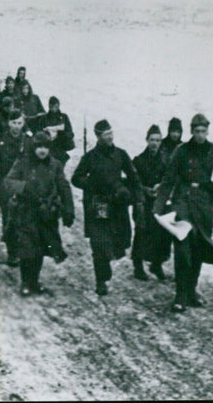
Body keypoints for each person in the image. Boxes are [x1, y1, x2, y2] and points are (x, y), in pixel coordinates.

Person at [153, 113, 213, 312]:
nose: (200, 135)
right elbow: (169, 179)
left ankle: (191, 289)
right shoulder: (182, 151)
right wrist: (158, 206)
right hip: (183, 202)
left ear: (207, 131)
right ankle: (180, 294)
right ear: (191, 131)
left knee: (199, 249)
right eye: (197, 131)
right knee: (183, 250)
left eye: (203, 131)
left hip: (204, 206)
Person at [71, 120, 144, 296]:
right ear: (98, 137)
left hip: (117, 205)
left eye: (111, 133)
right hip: (99, 204)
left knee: (119, 240)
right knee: (99, 242)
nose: (110, 137)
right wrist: (91, 184)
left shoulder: (121, 154)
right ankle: (101, 280)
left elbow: (134, 178)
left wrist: (138, 199)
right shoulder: (90, 157)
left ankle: (107, 263)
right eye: (106, 134)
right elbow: (76, 178)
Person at [3, 131, 74, 296]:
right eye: (39, 147)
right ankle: (25, 282)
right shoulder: (23, 163)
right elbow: (8, 182)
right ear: (34, 147)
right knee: (27, 249)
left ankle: (34, 281)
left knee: (41, 249)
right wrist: (24, 187)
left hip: (47, 214)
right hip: (26, 213)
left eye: (45, 147)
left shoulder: (55, 165)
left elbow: (63, 186)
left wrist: (68, 209)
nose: (42, 150)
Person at [0, 109, 34, 265]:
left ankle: (22, 249)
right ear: (8, 123)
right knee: (10, 219)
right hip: (5, 186)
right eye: (13, 123)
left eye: (19, 123)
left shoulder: (28, 141)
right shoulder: (0, 139)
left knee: (24, 219)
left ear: (23, 123)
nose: (16, 126)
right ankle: (12, 252)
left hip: (24, 186)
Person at [131, 125, 172, 281]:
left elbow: (171, 179)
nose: (155, 143)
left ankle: (156, 264)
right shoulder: (139, 160)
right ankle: (138, 265)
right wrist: (145, 189)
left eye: (158, 140)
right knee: (141, 232)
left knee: (161, 234)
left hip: (159, 202)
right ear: (147, 140)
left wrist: (161, 187)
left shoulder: (166, 160)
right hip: (142, 202)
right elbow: (132, 182)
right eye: (152, 140)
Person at [37, 96, 75, 167]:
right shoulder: (44, 118)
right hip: (49, 149)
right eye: (52, 106)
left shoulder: (64, 117)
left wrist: (60, 134)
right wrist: (47, 135)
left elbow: (70, 133)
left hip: (61, 148)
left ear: (58, 106)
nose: (54, 109)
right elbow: (39, 134)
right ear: (49, 106)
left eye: (56, 106)